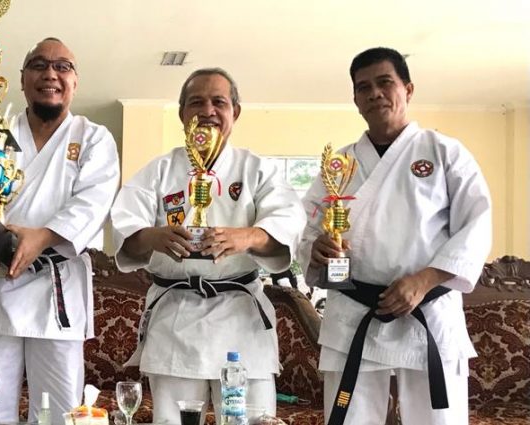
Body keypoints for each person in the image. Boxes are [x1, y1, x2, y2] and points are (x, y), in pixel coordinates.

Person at [299, 47, 492, 425]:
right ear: (355, 100)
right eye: (363, 87)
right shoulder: (338, 165)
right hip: (355, 314)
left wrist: (425, 280)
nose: (374, 93)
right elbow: (308, 231)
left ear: (408, 89)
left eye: (385, 82)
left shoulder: (444, 152)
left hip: (428, 313)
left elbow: (477, 224)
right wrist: (316, 249)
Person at [110, 68, 305, 423]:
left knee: (252, 420)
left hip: (241, 319)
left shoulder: (256, 169)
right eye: (196, 102)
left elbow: (288, 218)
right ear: (182, 113)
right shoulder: (159, 170)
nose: (208, 110)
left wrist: (248, 236)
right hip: (176, 317)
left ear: (235, 111)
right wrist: (153, 236)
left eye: (219, 102)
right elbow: (125, 223)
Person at [0, 37, 120, 422]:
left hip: (55, 287)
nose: (50, 74)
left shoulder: (93, 138)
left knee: (60, 410)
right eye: (39, 65)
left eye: (62, 67)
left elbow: (94, 201)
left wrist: (42, 237)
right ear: (22, 79)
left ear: (75, 81)